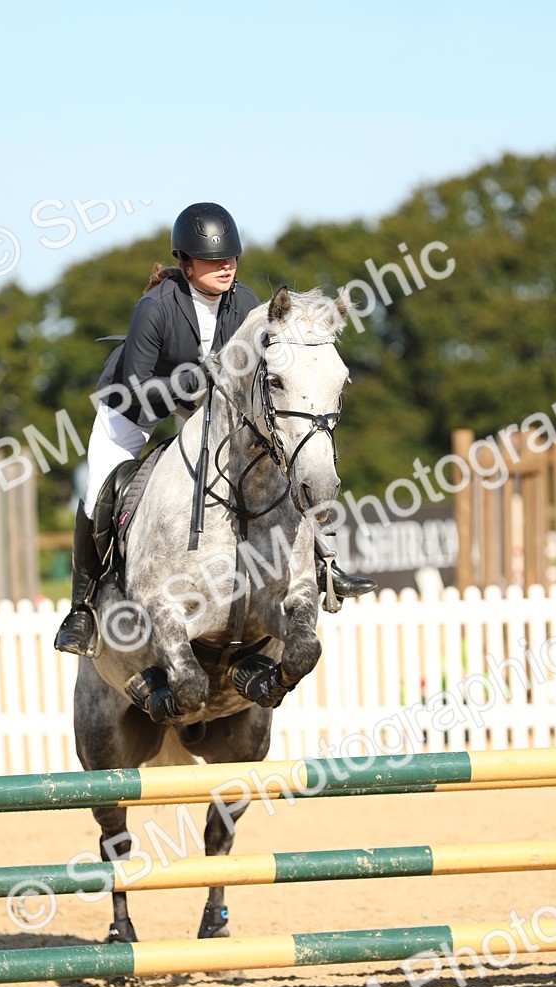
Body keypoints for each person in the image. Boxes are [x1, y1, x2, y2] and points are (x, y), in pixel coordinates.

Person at [55, 202, 376, 656]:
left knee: (281, 458)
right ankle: (82, 608)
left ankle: (325, 562)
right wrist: (196, 379)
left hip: (203, 405)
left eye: (231, 257)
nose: (225, 266)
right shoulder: (155, 307)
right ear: (185, 263)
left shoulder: (244, 303)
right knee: (99, 491)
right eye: (212, 259)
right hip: (131, 408)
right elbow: (137, 388)